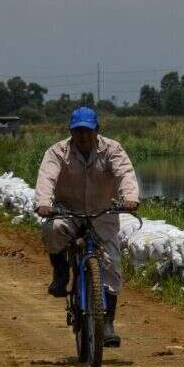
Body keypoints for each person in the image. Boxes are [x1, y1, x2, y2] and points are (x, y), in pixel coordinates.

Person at [34, 106, 139, 347]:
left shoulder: (112, 150)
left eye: (87, 132)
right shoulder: (58, 152)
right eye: (78, 131)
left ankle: (108, 322)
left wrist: (130, 197)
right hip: (67, 210)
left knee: (111, 263)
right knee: (52, 230)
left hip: (102, 212)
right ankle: (60, 272)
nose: (83, 137)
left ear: (97, 131)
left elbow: (125, 174)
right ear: (71, 132)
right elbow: (46, 177)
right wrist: (43, 203)